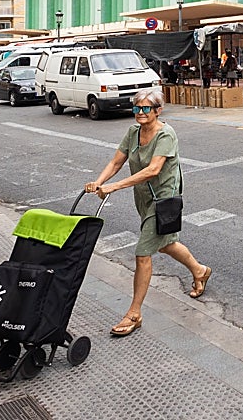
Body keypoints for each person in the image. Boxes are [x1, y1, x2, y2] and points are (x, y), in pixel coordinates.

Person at [84, 89, 211, 337]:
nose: (140, 114)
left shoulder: (166, 134)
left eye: (146, 109)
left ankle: (134, 313)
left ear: (157, 110)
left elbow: (153, 170)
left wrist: (114, 186)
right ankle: (199, 270)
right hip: (143, 198)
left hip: (163, 199)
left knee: (143, 253)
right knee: (165, 243)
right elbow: (116, 162)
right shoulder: (133, 133)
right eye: (137, 108)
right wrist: (98, 182)